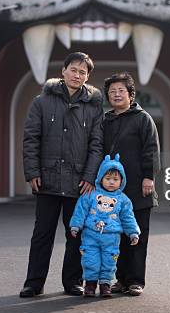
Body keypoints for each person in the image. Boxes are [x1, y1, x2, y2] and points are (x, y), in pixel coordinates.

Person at [20, 52, 104, 298]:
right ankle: (33, 283)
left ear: (87, 77)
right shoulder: (41, 102)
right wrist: (32, 171)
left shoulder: (93, 106)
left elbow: (97, 144)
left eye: (83, 72)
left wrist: (90, 176)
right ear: (63, 71)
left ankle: (72, 282)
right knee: (42, 234)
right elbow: (31, 139)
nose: (77, 75)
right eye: (74, 70)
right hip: (47, 180)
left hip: (79, 183)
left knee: (76, 235)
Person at [102, 72, 160, 296]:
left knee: (137, 235)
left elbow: (152, 149)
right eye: (112, 91)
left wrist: (149, 177)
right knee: (118, 237)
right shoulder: (106, 121)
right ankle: (121, 279)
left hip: (138, 187)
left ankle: (136, 281)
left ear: (130, 94)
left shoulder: (143, 118)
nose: (116, 94)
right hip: (113, 191)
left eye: (120, 91)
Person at [69, 154, 140, 297]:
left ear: (122, 181)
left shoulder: (123, 200)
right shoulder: (91, 194)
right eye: (108, 179)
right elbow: (80, 211)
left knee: (109, 261)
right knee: (90, 259)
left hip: (111, 238)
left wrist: (133, 232)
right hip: (90, 236)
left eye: (115, 179)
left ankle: (105, 284)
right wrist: (75, 226)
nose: (111, 182)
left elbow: (128, 217)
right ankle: (90, 284)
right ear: (100, 178)